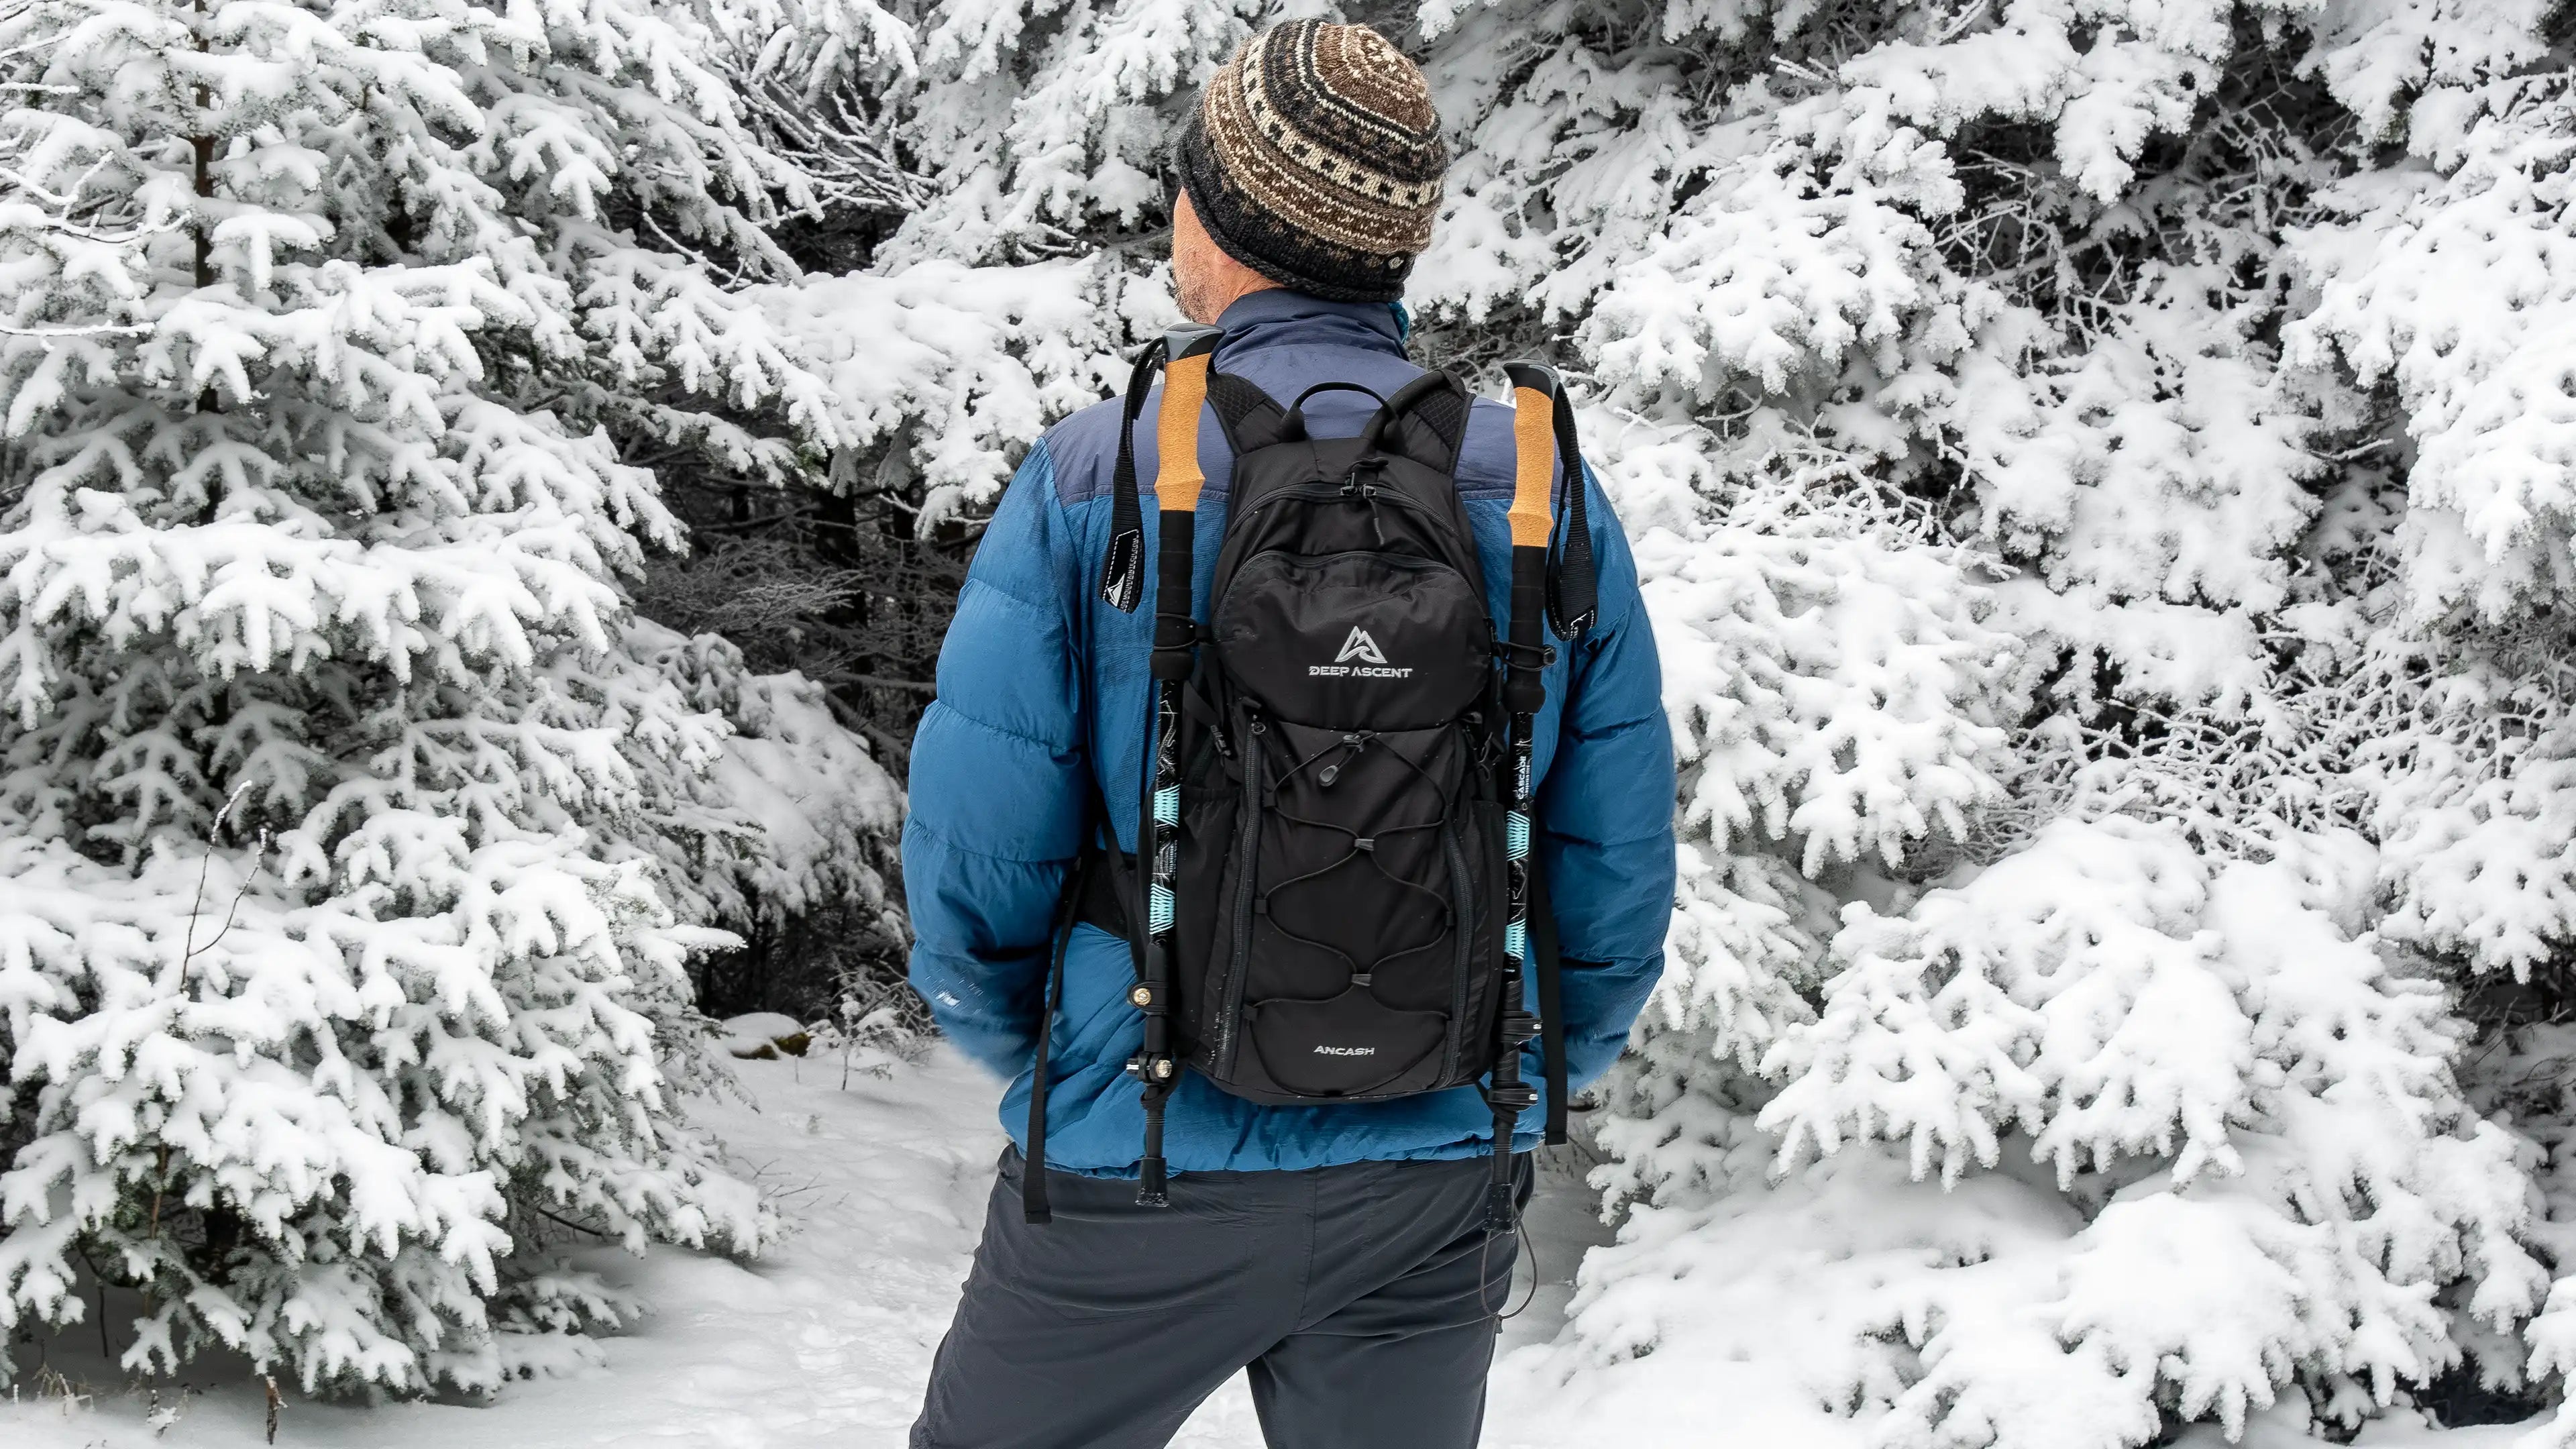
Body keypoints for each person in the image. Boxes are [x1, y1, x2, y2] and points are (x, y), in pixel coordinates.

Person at [902, 19, 1676, 1448]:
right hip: (1435, 1169)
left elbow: (976, 851)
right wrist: (1519, 1072)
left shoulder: (1102, 472)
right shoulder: (1536, 487)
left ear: (1229, 220)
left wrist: (1068, 1053)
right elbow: (1614, 855)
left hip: (1139, 1145)